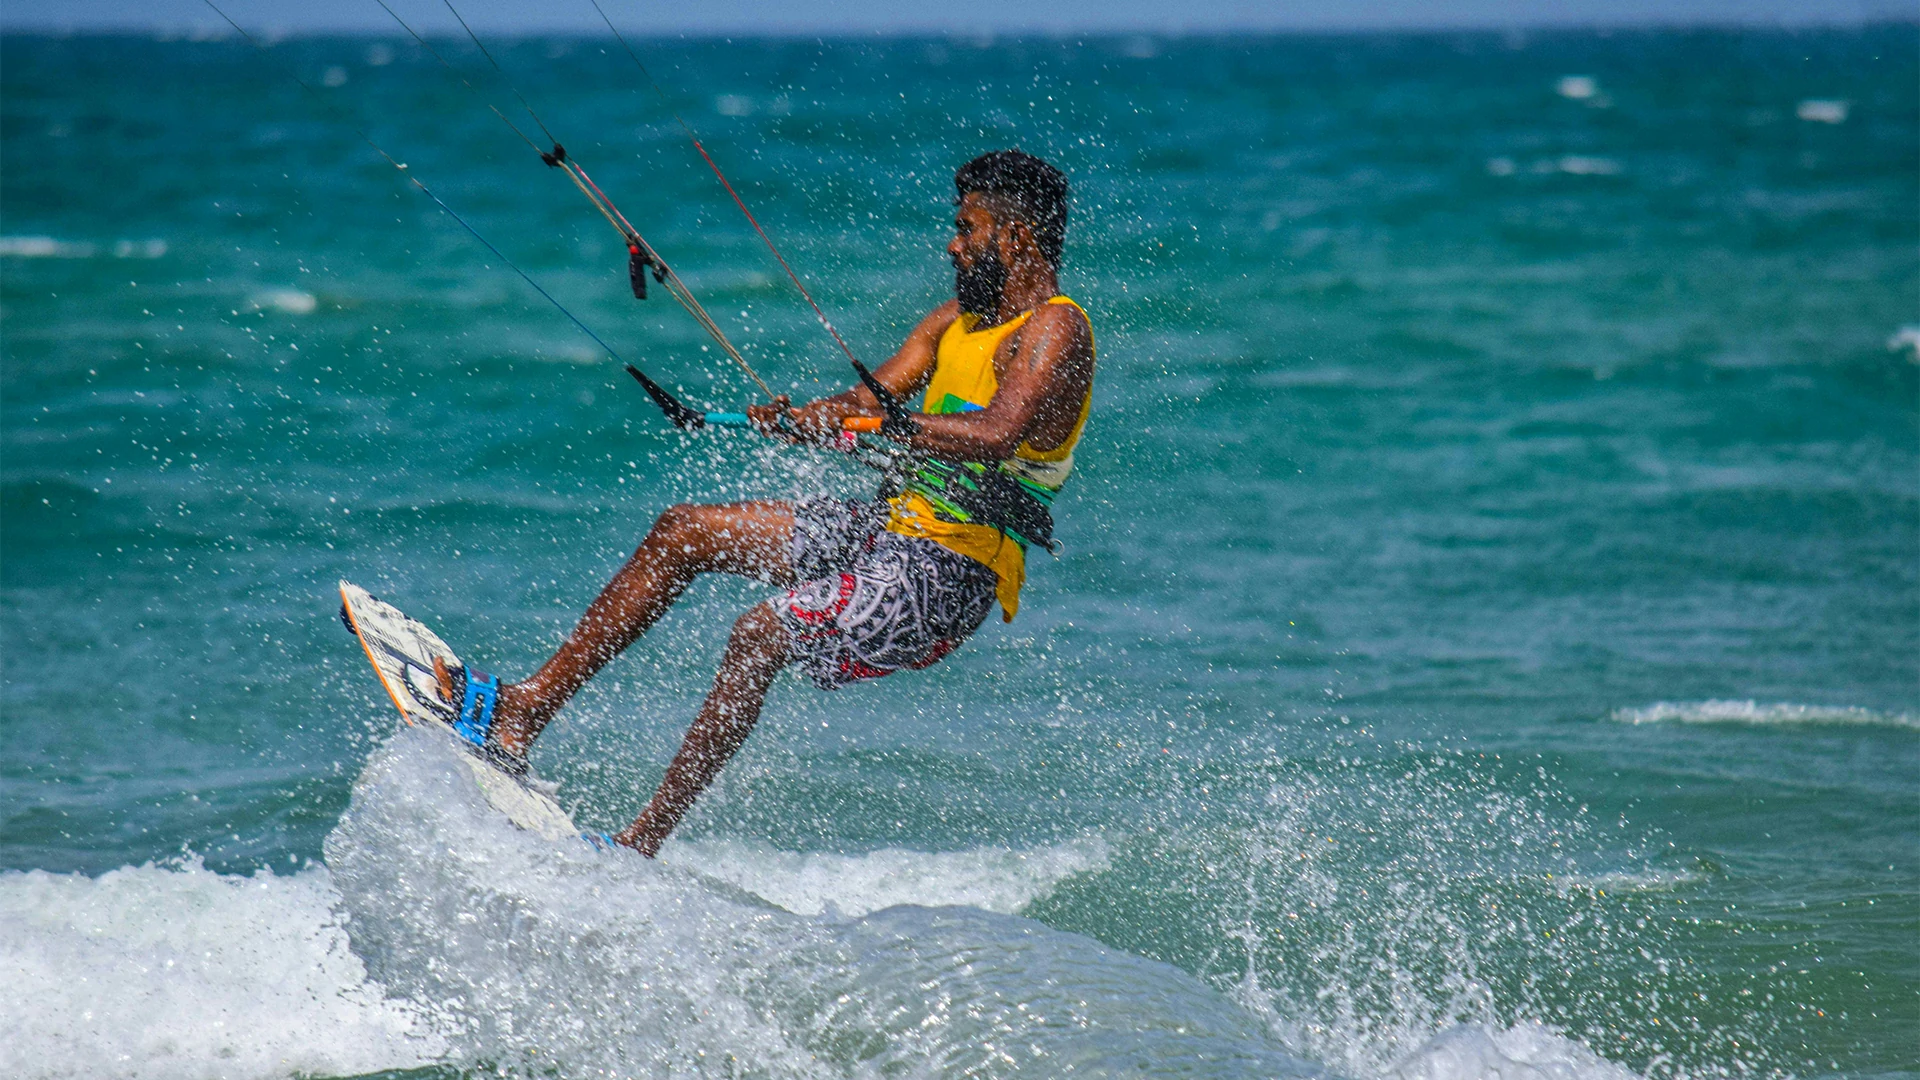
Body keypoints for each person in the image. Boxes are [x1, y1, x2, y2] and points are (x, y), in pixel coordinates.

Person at [436, 149, 1095, 856]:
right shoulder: (950, 323)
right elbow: (866, 400)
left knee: (759, 633)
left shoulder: (1056, 330)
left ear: (1015, 238)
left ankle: (640, 843)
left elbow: (998, 432)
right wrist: (811, 414)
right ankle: (524, 711)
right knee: (682, 532)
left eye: (967, 229)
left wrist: (880, 425)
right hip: (888, 529)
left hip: (950, 573)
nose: (952, 244)